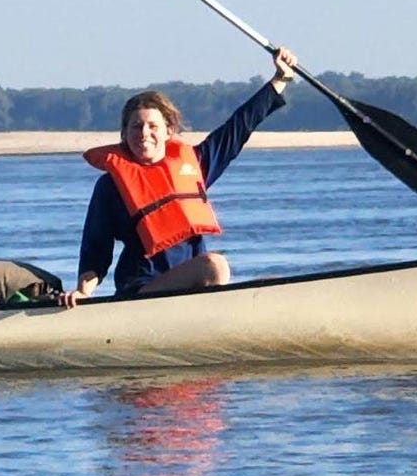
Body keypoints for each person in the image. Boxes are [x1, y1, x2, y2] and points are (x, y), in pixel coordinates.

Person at [58, 47, 297, 307]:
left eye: (152, 126)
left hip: (190, 290)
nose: (143, 133)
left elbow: (238, 127)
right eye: (135, 126)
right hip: (140, 290)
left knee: (275, 283)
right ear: (124, 133)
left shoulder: (194, 164)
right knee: (215, 266)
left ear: (168, 130)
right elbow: (95, 246)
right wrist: (83, 292)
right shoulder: (110, 185)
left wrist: (279, 80)